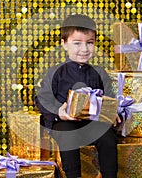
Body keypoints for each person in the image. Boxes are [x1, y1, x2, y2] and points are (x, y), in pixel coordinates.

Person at [35, 14, 120, 178]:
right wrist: (58, 111)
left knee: (108, 138)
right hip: (64, 123)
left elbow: (109, 97)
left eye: (90, 43)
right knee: (68, 136)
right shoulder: (56, 72)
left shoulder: (100, 73)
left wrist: (112, 111)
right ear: (64, 44)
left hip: (92, 123)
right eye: (77, 43)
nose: (84, 49)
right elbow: (42, 98)